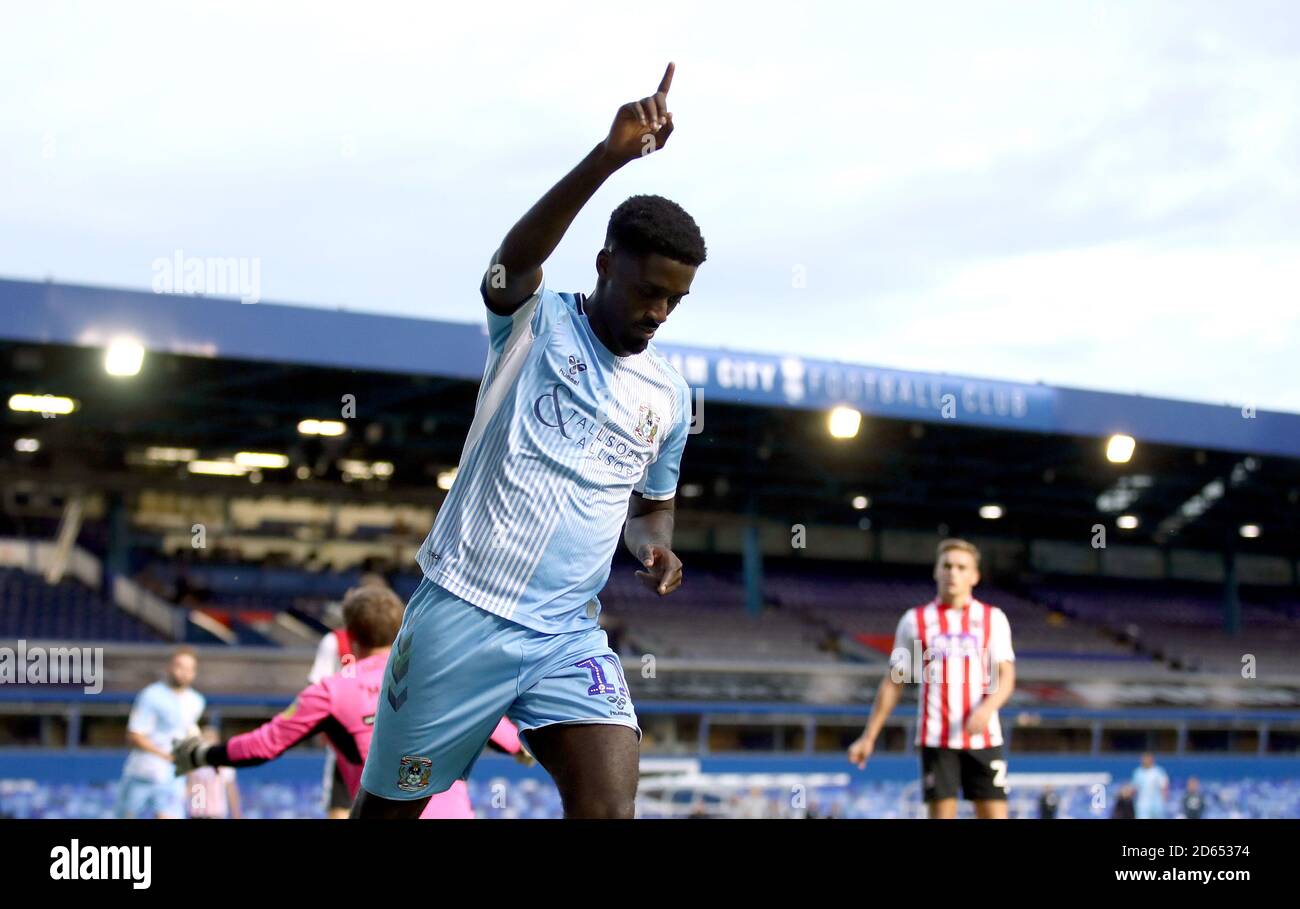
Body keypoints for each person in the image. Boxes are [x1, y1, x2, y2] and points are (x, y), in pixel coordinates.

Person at [353, 62, 705, 820]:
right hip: (462, 613)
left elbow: (652, 506)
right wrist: (607, 157)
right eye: (649, 290)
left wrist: (654, 547)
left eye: (675, 300)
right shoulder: (535, 324)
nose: (660, 313)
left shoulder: (670, 396)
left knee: (608, 808)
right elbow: (506, 266)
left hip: (567, 634)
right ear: (606, 264)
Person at [173, 585, 528, 818]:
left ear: (350, 636)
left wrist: (201, 754)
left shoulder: (330, 691)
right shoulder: (443, 680)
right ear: (401, 628)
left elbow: (263, 746)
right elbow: (515, 742)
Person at [847, 539, 1017, 819]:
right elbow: (894, 681)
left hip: (984, 739)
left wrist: (987, 709)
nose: (953, 572)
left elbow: (1006, 675)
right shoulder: (916, 621)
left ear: (975, 576)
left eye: (962, 567)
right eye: (947, 565)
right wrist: (869, 736)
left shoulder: (992, 619)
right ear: (936, 571)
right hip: (937, 738)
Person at [308, 572, 390, 819]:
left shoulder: (401, 640)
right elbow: (317, 686)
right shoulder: (334, 641)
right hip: (349, 740)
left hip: (386, 737)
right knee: (341, 806)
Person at [117, 647, 204, 819]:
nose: (183, 673)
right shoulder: (151, 695)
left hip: (173, 775)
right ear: (169, 667)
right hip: (144, 771)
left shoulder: (196, 701)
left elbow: (188, 735)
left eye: (189, 669)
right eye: (180, 666)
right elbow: (135, 734)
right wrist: (165, 756)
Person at [185, 727, 241, 819]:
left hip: (217, 814)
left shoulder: (225, 766)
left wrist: (236, 814)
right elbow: (189, 786)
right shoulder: (194, 764)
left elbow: (231, 790)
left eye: (211, 739)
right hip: (197, 814)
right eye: (206, 739)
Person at [1132, 752, 1169, 819]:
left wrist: (1164, 801)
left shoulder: (1158, 771)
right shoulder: (1138, 772)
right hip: (1142, 805)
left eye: (1147, 759)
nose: (1145, 761)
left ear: (1152, 759)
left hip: (1157, 804)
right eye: (1143, 759)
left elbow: (1164, 787)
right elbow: (1134, 789)